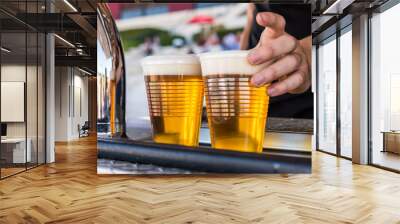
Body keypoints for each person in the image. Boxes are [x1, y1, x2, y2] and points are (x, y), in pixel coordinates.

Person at [240, 3, 313, 119]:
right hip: (258, 102)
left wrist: (307, 51)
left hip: (306, 102)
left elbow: (348, 9)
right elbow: (252, 11)